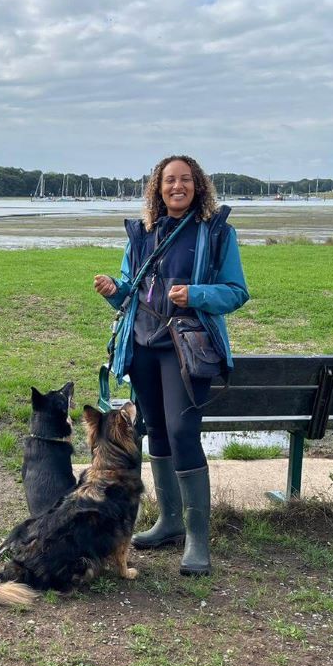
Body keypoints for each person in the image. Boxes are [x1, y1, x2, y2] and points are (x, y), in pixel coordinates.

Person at [93, 154, 248, 576]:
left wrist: (195, 295)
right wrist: (112, 289)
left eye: (185, 180)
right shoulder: (142, 232)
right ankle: (170, 522)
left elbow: (236, 292)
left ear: (198, 185)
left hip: (186, 349)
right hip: (142, 344)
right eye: (168, 181)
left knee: (182, 431)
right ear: (157, 188)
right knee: (156, 430)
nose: (176, 186)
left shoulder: (216, 232)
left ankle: (198, 538)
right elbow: (129, 290)